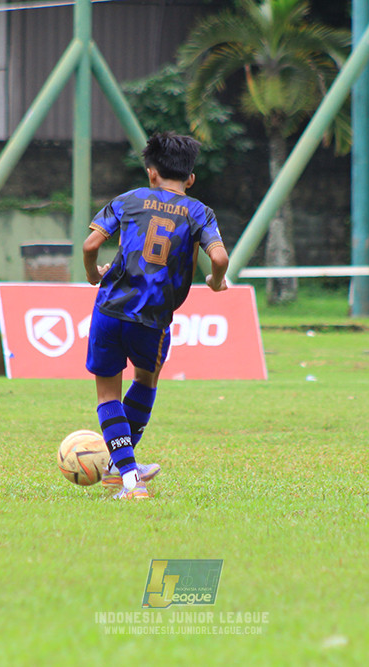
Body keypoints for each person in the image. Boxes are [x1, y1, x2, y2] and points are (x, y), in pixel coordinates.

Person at [83, 131, 229, 500]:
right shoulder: (199, 212)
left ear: (151, 173)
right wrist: (215, 281)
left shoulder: (128, 200)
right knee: (146, 381)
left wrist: (92, 274)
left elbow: (90, 244)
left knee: (107, 394)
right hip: (153, 318)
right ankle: (129, 476)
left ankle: (122, 470)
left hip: (110, 309)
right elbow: (219, 257)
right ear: (190, 179)